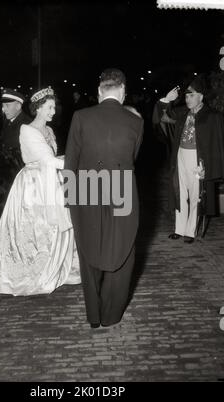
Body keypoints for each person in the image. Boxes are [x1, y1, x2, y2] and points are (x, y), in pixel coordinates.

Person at [0, 87, 80, 296]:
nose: (54, 111)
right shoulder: (27, 130)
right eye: (50, 107)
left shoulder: (49, 130)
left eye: (54, 107)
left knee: (54, 228)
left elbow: (55, 158)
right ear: (39, 109)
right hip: (34, 186)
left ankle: (56, 265)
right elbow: (49, 160)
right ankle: (34, 271)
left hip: (51, 181)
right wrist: (79, 159)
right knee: (36, 230)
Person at [64, 68, 143, 328]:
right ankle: (111, 315)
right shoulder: (135, 122)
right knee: (122, 249)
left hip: (86, 186)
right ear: (123, 92)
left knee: (89, 248)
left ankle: (94, 316)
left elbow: (71, 162)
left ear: (99, 91)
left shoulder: (80, 117)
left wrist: (70, 200)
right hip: (120, 185)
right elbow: (133, 157)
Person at [154, 76, 224, 243]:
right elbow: (162, 117)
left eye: (191, 95)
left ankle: (190, 231)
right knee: (180, 191)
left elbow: (215, 145)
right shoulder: (181, 113)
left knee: (196, 195)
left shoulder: (212, 116)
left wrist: (207, 165)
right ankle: (179, 229)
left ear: (201, 96)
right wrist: (166, 100)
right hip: (180, 155)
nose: (187, 99)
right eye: (186, 96)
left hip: (198, 159)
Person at [0, 88, 32, 220]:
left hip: (17, 181)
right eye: (3, 105)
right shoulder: (9, 121)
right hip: (7, 180)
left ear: (18, 106)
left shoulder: (26, 124)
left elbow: (22, 156)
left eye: (7, 105)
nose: (3, 109)